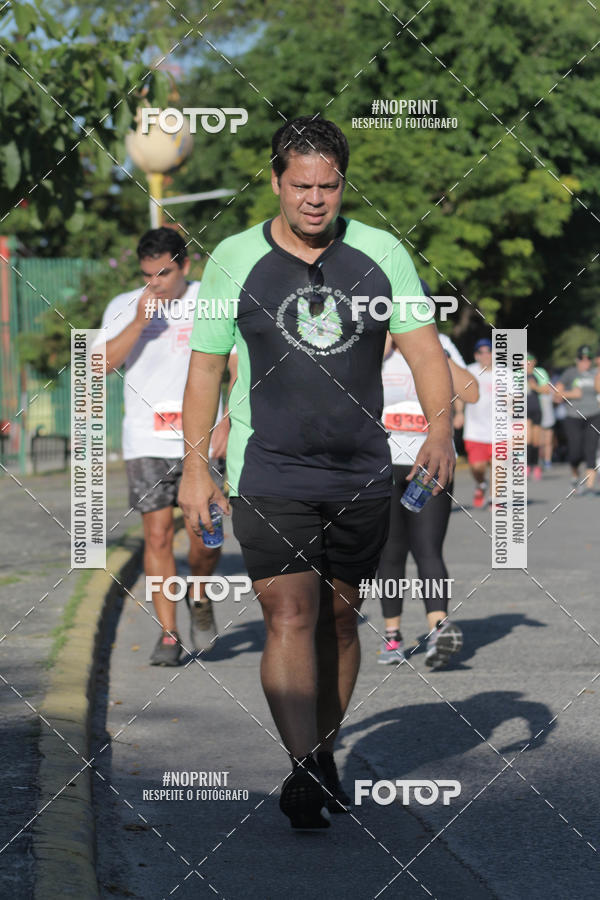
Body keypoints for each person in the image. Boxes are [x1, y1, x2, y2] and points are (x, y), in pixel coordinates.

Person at [178, 116, 455, 829]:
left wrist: (441, 430)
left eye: (328, 186)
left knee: (338, 617)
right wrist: (195, 467)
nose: (314, 200)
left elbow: (425, 352)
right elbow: (206, 366)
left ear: (342, 184)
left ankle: (324, 751)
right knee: (289, 613)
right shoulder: (233, 260)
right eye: (300, 185)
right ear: (276, 181)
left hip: (361, 473)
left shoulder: (381, 251)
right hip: (268, 471)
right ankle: (302, 767)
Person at [100, 227, 236, 666]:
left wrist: (230, 420)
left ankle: (199, 590)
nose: (155, 283)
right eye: (146, 275)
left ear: (186, 266)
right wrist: (140, 320)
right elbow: (98, 363)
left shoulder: (210, 300)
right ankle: (168, 634)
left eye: (164, 273)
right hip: (145, 440)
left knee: (206, 534)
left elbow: (237, 365)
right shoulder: (124, 306)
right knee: (157, 536)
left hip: (203, 439)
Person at [376, 317, 479, 669]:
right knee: (390, 552)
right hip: (382, 463)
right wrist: (386, 345)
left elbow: (472, 392)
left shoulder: (442, 343)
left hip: (430, 462)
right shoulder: (376, 342)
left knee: (427, 548)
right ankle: (392, 636)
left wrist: (434, 350)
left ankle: (438, 630)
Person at [554, 345, 600, 494]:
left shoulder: (596, 373)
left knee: (591, 449)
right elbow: (556, 394)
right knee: (575, 452)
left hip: (593, 415)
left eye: (588, 359)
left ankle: (590, 486)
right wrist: (572, 394)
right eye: (582, 358)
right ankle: (575, 475)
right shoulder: (569, 373)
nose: (585, 361)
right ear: (577, 359)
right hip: (573, 416)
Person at [463, 338, 493, 507]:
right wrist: (459, 413)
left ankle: (494, 499)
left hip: (501, 430)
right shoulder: (469, 371)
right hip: (475, 430)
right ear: (476, 355)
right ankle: (481, 484)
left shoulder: (506, 373)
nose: (485, 355)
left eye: (488, 351)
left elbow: (517, 396)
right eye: (481, 352)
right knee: (477, 467)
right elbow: (459, 393)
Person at [526, 354, 553, 480]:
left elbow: (547, 389)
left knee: (537, 440)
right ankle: (526, 466)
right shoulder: (517, 374)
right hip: (524, 409)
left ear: (534, 361)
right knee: (527, 439)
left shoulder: (540, 372)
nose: (528, 363)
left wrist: (535, 387)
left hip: (537, 408)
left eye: (530, 360)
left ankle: (536, 465)